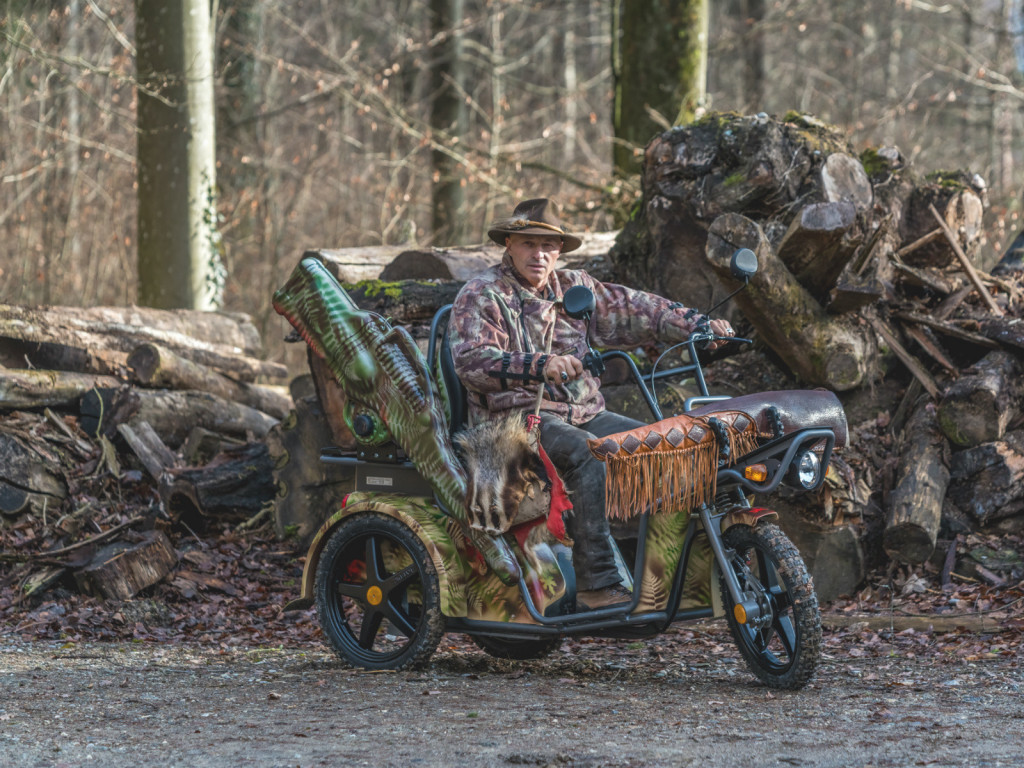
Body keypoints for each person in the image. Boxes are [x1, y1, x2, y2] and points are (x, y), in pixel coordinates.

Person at [448, 198, 734, 609]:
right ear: (508, 243)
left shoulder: (575, 289)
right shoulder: (482, 294)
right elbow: (471, 363)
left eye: (548, 245)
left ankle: (658, 578)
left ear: (560, 250)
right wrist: (539, 364)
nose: (539, 254)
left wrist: (699, 326)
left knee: (659, 446)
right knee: (592, 456)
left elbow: (637, 309)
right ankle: (597, 586)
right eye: (529, 243)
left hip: (584, 413)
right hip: (512, 423)